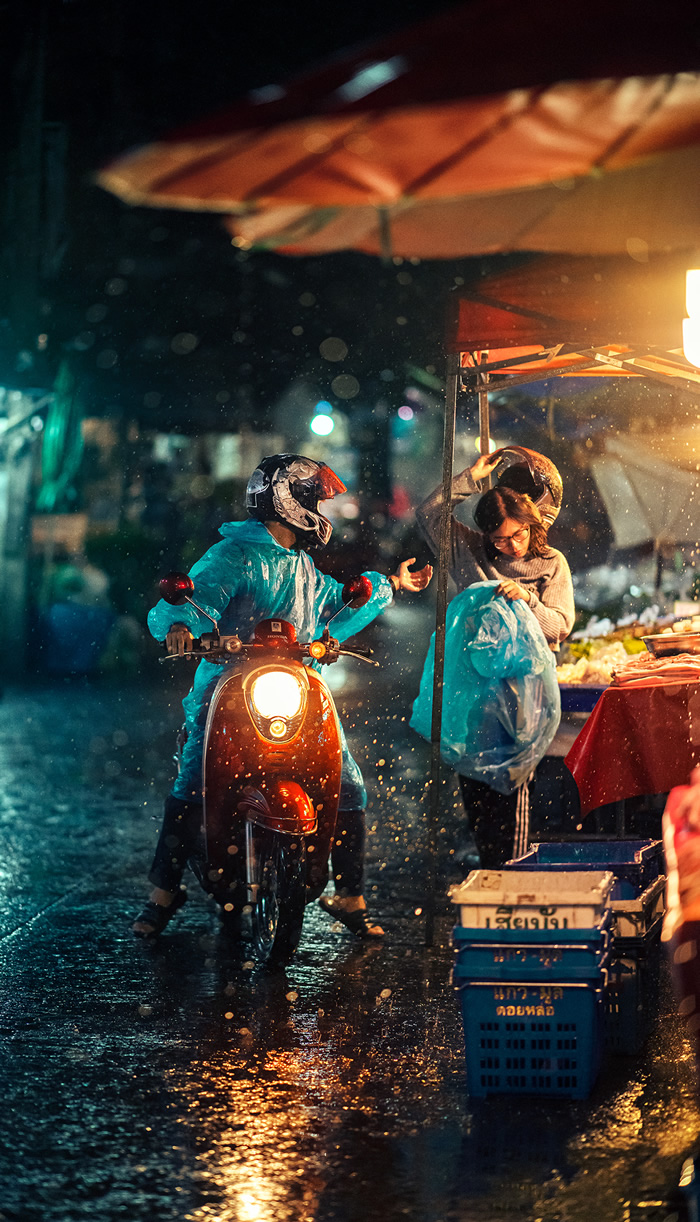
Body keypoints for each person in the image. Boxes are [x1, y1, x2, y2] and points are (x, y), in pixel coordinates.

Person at [133, 453, 432, 941]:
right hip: (227, 687)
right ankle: (164, 892)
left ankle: (349, 893)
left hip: (298, 684)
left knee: (347, 779)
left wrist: (389, 583)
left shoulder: (301, 564)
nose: (324, 512)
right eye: (318, 500)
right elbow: (191, 602)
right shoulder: (231, 556)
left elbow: (338, 601)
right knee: (193, 779)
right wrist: (183, 627)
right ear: (292, 503)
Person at [415, 448, 575, 868]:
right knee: (476, 790)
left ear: (531, 524)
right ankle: (489, 873)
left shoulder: (551, 563)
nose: (511, 545)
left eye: (518, 534)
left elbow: (560, 625)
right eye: (500, 539)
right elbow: (428, 514)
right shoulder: (470, 553)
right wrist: (468, 479)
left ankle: (511, 878)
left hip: (523, 697)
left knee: (513, 787)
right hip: (476, 695)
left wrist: (528, 601)